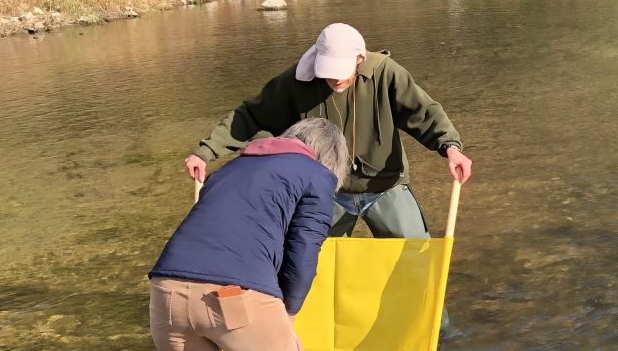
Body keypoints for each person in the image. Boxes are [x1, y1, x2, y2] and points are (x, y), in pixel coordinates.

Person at [150, 118, 349, 351]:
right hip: (231, 294)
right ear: (330, 158)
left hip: (165, 290)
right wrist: (288, 319)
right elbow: (304, 254)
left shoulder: (230, 169)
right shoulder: (316, 176)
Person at [184, 23, 472, 238]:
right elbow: (249, 115)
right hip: (324, 191)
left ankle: (438, 323)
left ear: (360, 58)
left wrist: (451, 148)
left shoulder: (386, 73)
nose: (334, 79)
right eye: (328, 71)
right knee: (307, 266)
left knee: (417, 262)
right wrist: (206, 152)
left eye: (340, 71)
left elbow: (424, 112)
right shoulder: (297, 81)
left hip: (385, 187)